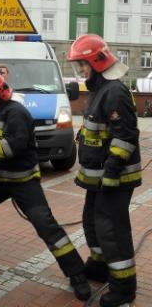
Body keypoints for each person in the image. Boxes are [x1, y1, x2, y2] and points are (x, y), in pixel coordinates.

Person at [0, 69, 91, 301]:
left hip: (23, 182)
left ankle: (77, 274)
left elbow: (13, 145)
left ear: (1, 94)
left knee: (46, 226)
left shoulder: (16, 113)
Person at [67, 34, 141, 307]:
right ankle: (99, 265)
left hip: (116, 177)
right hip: (99, 177)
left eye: (83, 65)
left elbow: (125, 137)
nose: (80, 71)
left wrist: (110, 171)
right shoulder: (99, 89)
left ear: (97, 62)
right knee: (92, 221)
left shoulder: (115, 92)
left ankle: (124, 286)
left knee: (112, 230)